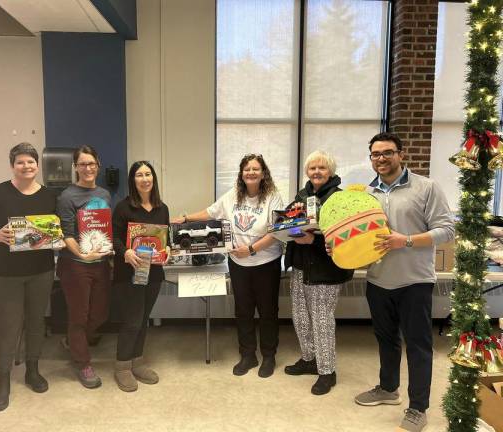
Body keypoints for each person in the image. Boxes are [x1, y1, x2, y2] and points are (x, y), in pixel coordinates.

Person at [353, 133, 454, 432]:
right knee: (386, 340)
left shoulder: (426, 187)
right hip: (378, 280)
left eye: (387, 153)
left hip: (415, 281)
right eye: (375, 154)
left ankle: (417, 408)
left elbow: (446, 230)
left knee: (419, 346)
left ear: (401, 154)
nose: (380, 159)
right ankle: (388, 388)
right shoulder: (367, 194)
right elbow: (360, 235)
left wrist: (406, 240)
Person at [173, 154, 284, 378]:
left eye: (255, 169)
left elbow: (277, 231)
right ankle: (248, 355)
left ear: (263, 174)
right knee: (242, 311)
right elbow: (210, 212)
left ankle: (269, 356)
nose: (251, 173)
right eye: (247, 169)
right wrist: (186, 219)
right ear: (241, 174)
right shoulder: (233, 195)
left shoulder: (273, 197)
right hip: (238, 263)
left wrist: (252, 249)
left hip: (266, 262)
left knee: (267, 311)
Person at [0, 143, 57, 412]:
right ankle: (3, 382)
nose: (26, 166)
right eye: (20, 162)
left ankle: (32, 370)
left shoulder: (50, 196)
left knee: (36, 323)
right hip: (5, 273)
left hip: (41, 270)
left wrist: (58, 237)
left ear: (37, 165)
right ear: (12, 165)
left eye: (31, 162)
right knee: (8, 327)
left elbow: (59, 227)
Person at [283, 150, 353, 395]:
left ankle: (327, 371)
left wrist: (311, 240)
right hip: (301, 266)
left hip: (325, 269)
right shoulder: (301, 196)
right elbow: (289, 223)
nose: (316, 172)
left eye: (321, 168)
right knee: (301, 317)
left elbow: (346, 235)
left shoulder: (340, 199)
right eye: (312, 168)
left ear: (331, 171)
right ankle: (309, 358)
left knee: (322, 321)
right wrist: (287, 229)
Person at [56, 145, 112, 389]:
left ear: (98, 165)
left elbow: (106, 229)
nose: (87, 168)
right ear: (75, 167)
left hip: (101, 263)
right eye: (82, 164)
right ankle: (82, 363)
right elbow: (66, 233)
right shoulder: (67, 197)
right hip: (76, 265)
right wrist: (82, 254)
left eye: (91, 164)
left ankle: (72, 341)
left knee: (100, 314)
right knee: (79, 316)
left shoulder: (105, 194)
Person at [112, 161, 170, 392]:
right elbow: (114, 238)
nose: (144, 179)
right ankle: (122, 367)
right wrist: (125, 251)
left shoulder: (161, 208)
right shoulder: (123, 208)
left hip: (154, 273)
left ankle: (137, 362)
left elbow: (166, 239)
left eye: (148, 174)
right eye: (139, 175)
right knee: (132, 320)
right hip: (130, 272)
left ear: (153, 179)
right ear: (132, 180)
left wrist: (168, 251)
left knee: (143, 318)